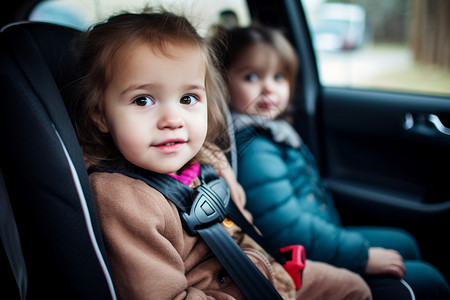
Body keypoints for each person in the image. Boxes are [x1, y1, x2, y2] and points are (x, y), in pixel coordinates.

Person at [71, 10, 373, 300]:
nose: (172, 119)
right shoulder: (123, 200)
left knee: (352, 287)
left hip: (262, 269)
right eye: (143, 100)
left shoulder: (200, 160)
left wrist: (222, 172)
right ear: (100, 115)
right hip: (228, 289)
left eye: (188, 98)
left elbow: (237, 210)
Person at [212, 24, 450, 300]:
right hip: (297, 260)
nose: (268, 88)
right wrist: (361, 257)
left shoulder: (272, 134)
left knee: (404, 242)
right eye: (251, 76)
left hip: (316, 237)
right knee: (429, 280)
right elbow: (287, 231)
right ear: (222, 82)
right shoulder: (254, 149)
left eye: (278, 77)